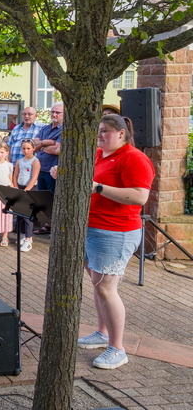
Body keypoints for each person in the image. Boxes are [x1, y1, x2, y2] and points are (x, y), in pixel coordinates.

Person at [78, 114, 154, 370]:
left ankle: (117, 348)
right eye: (98, 131)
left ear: (121, 134)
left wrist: (97, 187)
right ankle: (102, 333)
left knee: (107, 288)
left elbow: (139, 196)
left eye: (105, 132)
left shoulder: (134, 158)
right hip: (94, 228)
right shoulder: (101, 155)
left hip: (116, 231)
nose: (99, 136)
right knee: (99, 285)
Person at [33, 103, 63, 235]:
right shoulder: (45, 128)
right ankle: (47, 224)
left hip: (53, 171)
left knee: (53, 199)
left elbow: (58, 150)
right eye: (53, 112)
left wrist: (42, 145)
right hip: (41, 168)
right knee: (43, 198)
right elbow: (33, 144)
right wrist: (48, 143)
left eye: (58, 112)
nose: (54, 114)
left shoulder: (64, 130)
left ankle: (54, 227)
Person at [11, 139, 40, 252]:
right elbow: (15, 175)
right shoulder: (19, 161)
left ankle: (28, 239)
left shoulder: (35, 161)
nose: (26, 150)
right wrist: (16, 187)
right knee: (20, 213)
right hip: (20, 187)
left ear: (33, 148)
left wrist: (27, 190)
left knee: (28, 215)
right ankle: (24, 234)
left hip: (30, 190)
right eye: (24, 148)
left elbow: (34, 177)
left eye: (28, 148)